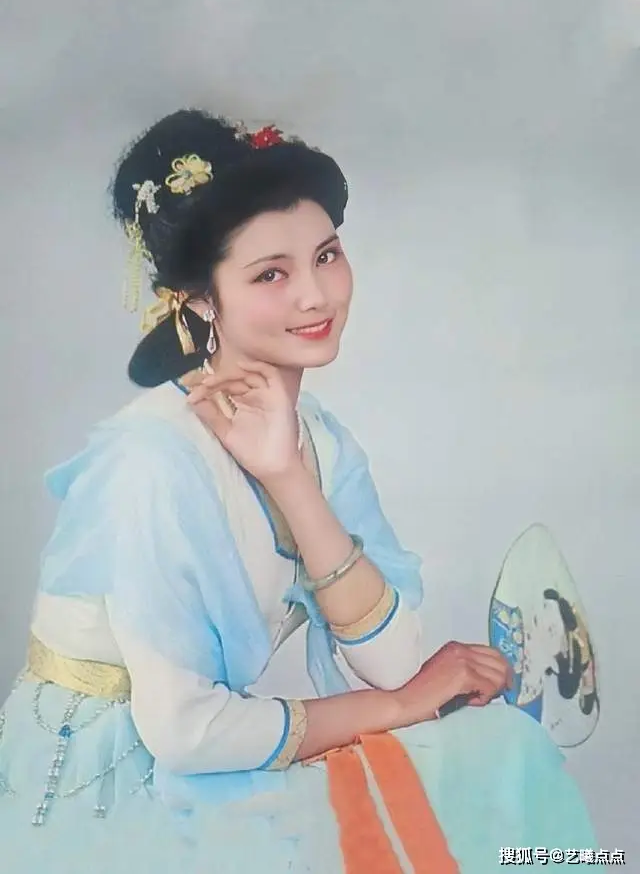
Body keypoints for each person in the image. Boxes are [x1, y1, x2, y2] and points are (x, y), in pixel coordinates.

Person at [0, 109, 597, 872]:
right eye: (271, 274)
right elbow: (184, 731)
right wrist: (395, 710)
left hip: (211, 754)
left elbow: (393, 659)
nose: (316, 296)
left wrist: (286, 475)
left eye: (328, 255)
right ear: (201, 301)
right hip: (107, 790)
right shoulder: (151, 462)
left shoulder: (318, 442)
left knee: (504, 748)